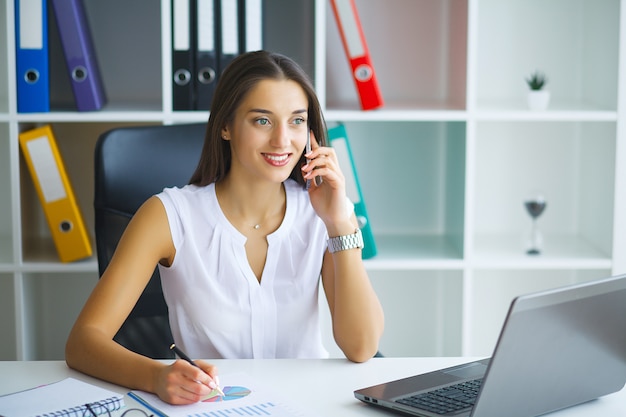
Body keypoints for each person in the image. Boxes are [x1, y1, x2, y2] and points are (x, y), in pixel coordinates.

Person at [65, 50, 384, 405]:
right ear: (226, 126)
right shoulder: (168, 216)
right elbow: (83, 342)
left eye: (296, 121)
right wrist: (155, 376)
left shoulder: (321, 215)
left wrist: (341, 222)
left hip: (308, 405)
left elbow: (362, 347)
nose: (283, 140)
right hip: (212, 407)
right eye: (262, 121)